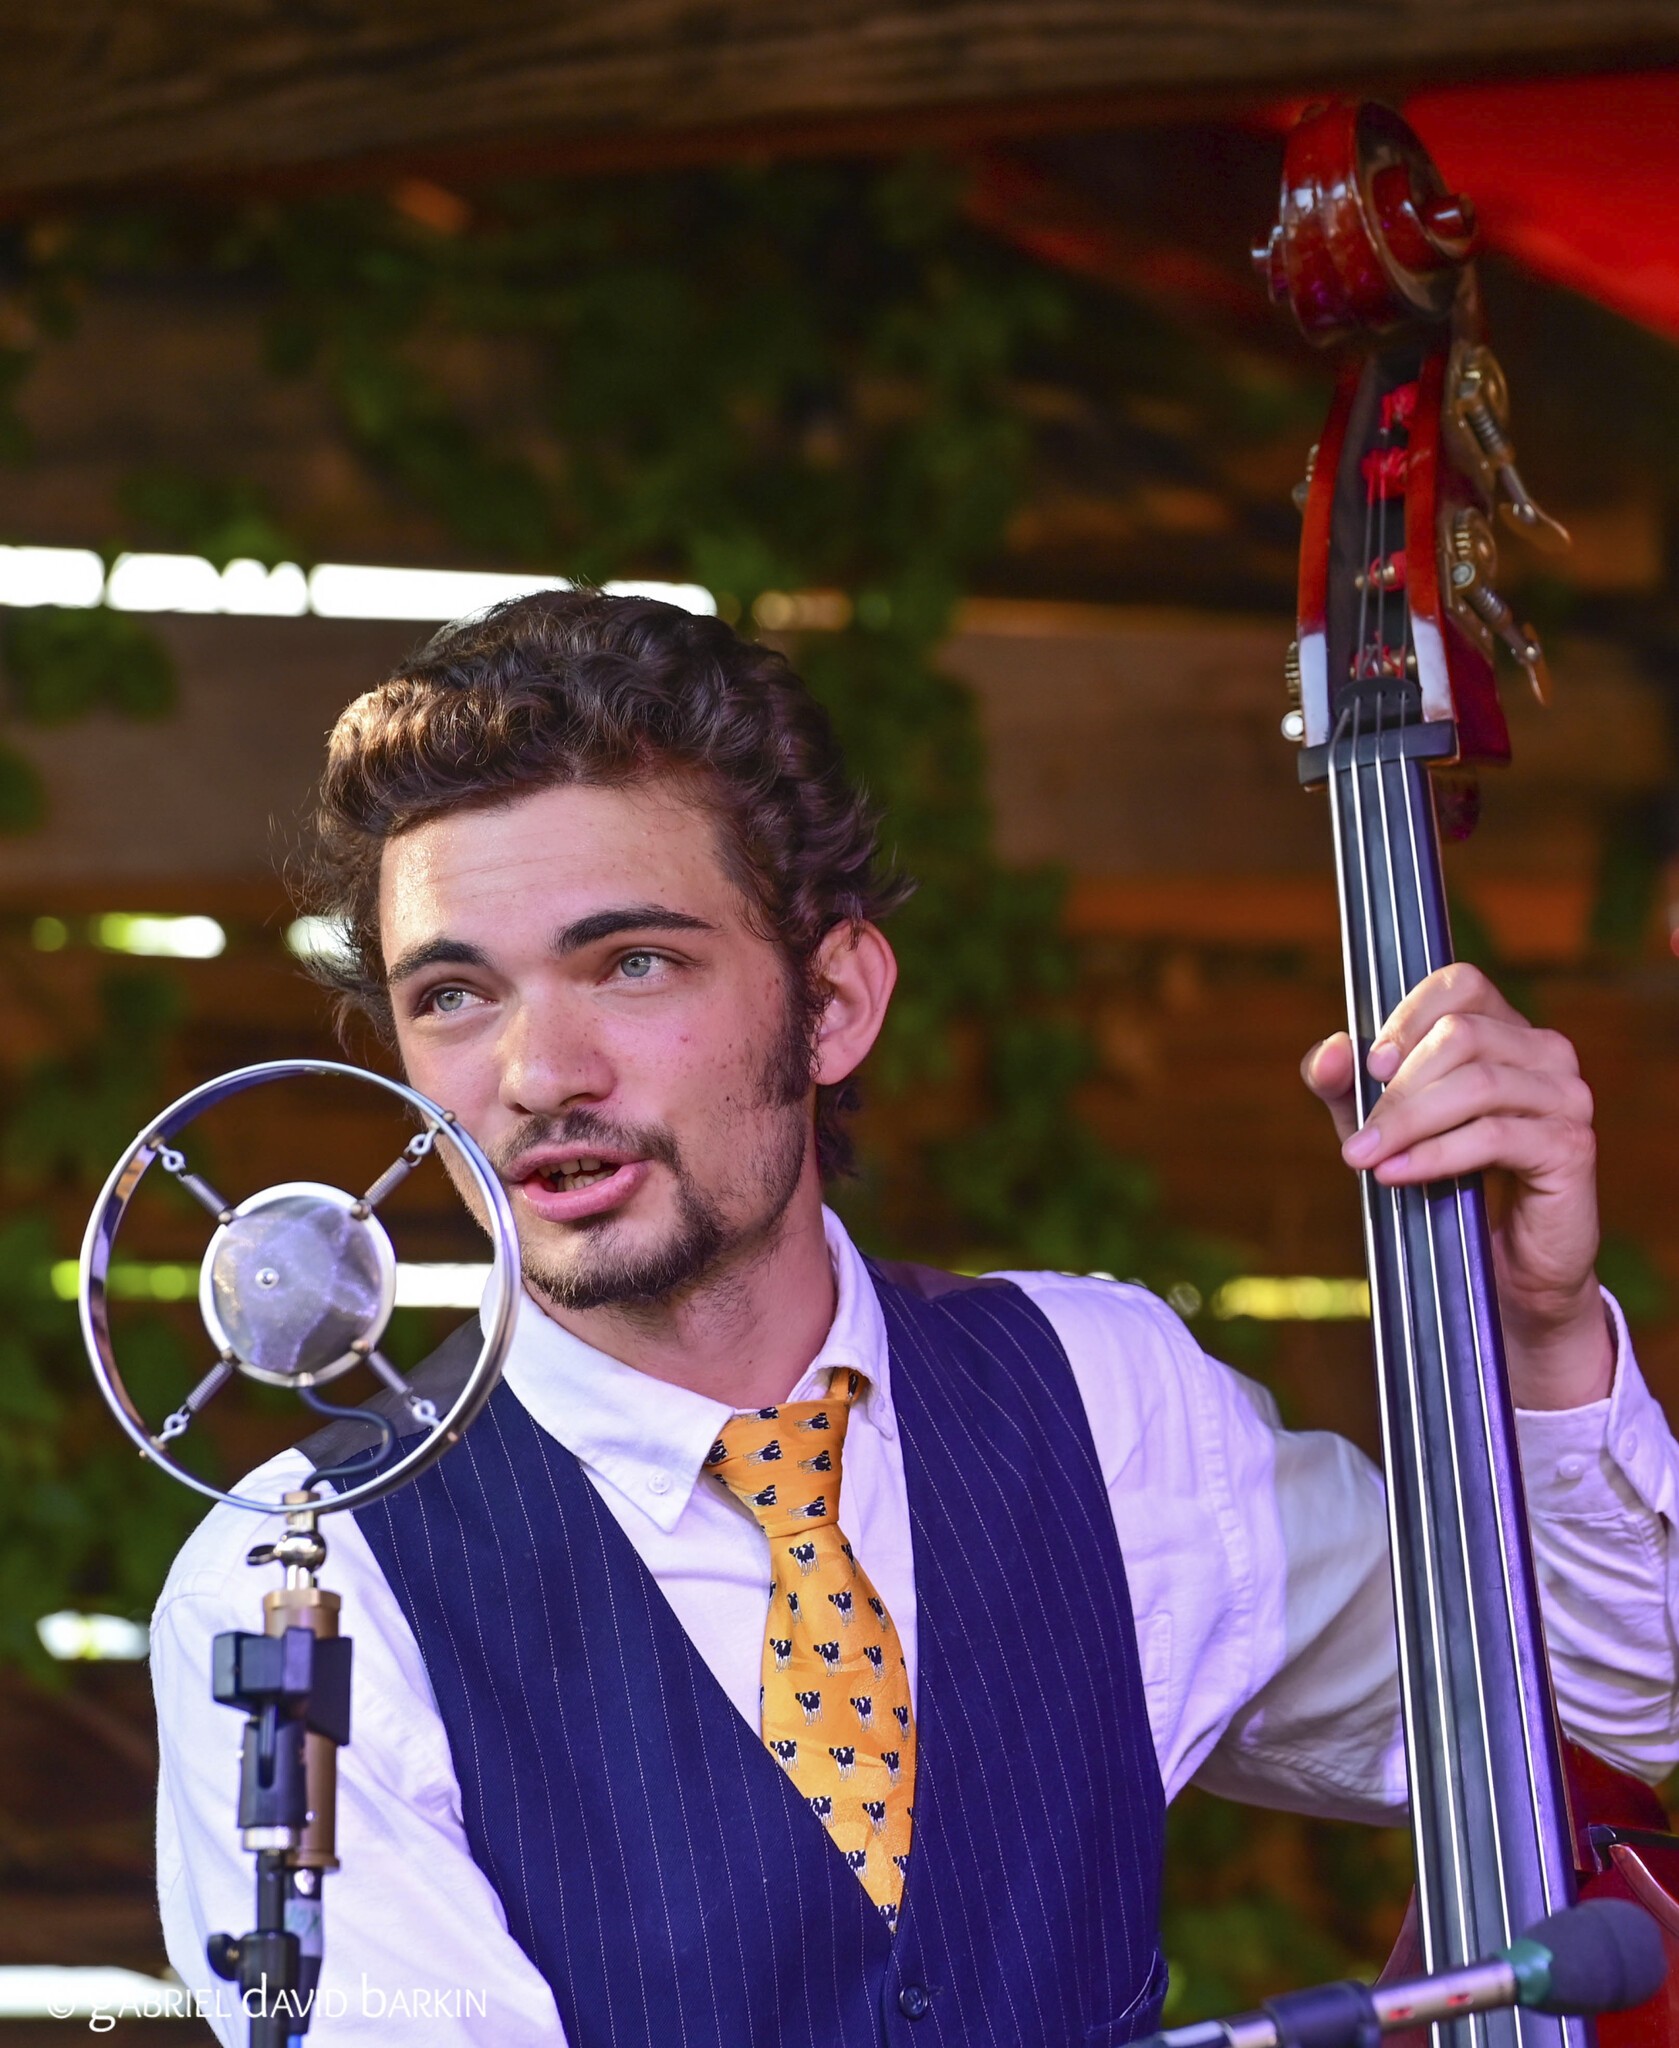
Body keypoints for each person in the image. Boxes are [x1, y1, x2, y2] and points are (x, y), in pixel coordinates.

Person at [153, 591, 1679, 2047]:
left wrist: (1538, 1338)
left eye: (631, 962)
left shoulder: (1103, 1398)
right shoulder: (301, 1590)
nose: (542, 1071)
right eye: (456, 997)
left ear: (834, 1005)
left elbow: (1614, 1720)